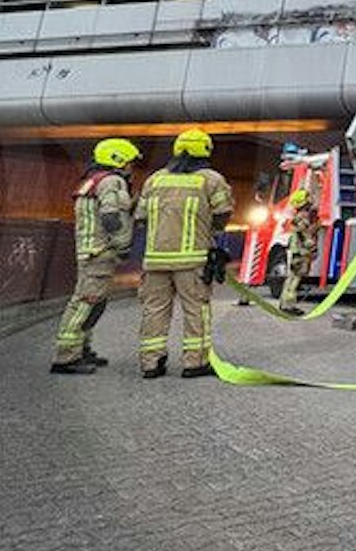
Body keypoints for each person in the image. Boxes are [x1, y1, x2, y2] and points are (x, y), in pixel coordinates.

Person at [134, 128, 234, 379]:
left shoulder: (154, 180)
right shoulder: (211, 180)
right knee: (196, 310)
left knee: (154, 310)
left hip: (155, 261)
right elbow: (223, 213)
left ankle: (151, 363)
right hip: (192, 261)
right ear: (206, 150)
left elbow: (141, 217)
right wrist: (209, 230)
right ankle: (195, 362)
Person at [50, 137, 140, 375]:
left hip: (91, 250)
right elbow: (111, 217)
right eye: (130, 162)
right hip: (99, 253)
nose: (131, 168)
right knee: (86, 302)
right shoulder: (112, 181)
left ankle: (81, 349)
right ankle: (66, 357)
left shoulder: (92, 181)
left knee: (94, 303)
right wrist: (122, 245)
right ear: (118, 160)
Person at [280, 186, 321, 315]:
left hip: (296, 251)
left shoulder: (298, 216)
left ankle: (284, 303)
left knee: (291, 277)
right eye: (308, 198)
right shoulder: (303, 217)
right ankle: (289, 305)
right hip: (301, 252)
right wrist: (312, 246)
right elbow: (305, 234)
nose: (311, 200)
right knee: (295, 278)